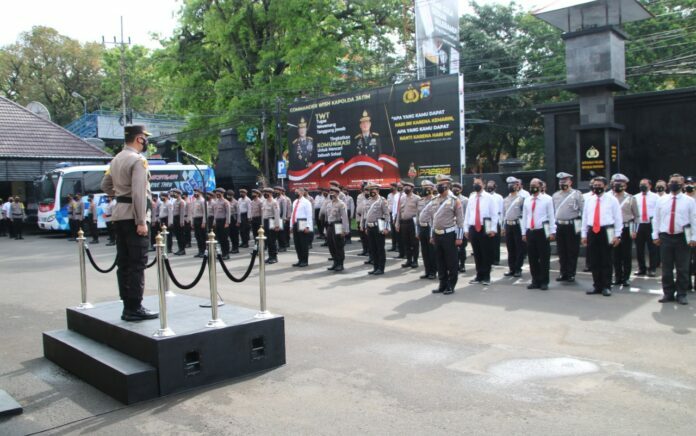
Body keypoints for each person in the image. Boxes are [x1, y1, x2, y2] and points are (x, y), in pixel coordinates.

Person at [100, 124, 158, 321]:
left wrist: (120, 196)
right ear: (139, 138)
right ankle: (135, 307)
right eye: (145, 138)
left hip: (119, 215)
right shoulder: (138, 160)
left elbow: (105, 185)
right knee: (137, 263)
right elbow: (139, 193)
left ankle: (127, 305)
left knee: (124, 262)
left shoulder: (116, 159)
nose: (146, 141)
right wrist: (141, 221)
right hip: (134, 217)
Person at [652, 174, 696, 305]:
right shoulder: (661, 200)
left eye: (676, 182)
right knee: (666, 268)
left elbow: (694, 219)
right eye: (671, 182)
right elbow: (656, 218)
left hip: (682, 237)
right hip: (665, 237)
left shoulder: (689, 201)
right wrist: (655, 235)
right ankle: (668, 293)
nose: (673, 184)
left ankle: (681, 294)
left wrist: (694, 237)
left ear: (682, 185)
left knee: (682, 268)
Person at [581, 177, 622, 297]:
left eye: (599, 185)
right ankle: (597, 285)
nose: (596, 187)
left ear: (605, 186)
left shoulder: (612, 200)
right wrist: (584, 234)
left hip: (606, 230)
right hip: (592, 231)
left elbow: (618, 218)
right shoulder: (589, 200)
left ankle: (606, 286)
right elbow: (585, 217)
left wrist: (617, 235)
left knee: (606, 259)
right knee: (594, 260)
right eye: (595, 185)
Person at [428, 176, 465, 295]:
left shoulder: (455, 200)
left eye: (441, 184)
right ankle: (442, 284)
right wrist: (432, 235)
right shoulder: (435, 200)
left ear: (447, 185)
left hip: (449, 235)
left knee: (451, 262)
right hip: (437, 235)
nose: (438, 186)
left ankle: (451, 285)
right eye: (437, 184)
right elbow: (433, 219)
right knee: (440, 261)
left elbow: (460, 220)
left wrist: (459, 237)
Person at [464, 176, 499, 286]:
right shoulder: (472, 197)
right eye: (474, 183)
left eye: (478, 183)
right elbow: (468, 214)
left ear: (483, 184)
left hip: (486, 227)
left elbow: (494, 214)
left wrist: (493, 229)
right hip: (474, 227)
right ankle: (479, 275)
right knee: (477, 253)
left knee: (486, 252)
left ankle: (486, 276)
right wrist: (466, 229)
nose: (476, 185)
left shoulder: (489, 197)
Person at [522, 179, 556, 290]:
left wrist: (552, 231)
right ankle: (535, 280)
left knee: (544, 257)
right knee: (532, 258)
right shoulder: (527, 200)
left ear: (541, 186)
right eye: (531, 185)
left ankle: (544, 281)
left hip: (542, 231)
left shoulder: (547, 199)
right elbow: (525, 217)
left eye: (535, 185)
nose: (532, 188)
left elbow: (551, 216)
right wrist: (523, 232)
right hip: (530, 231)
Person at [552, 172, 584, 282]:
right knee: (561, 251)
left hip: (572, 225)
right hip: (560, 225)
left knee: (572, 250)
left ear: (570, 182)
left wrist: (581, 229)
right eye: (560, 181)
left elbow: (582, 210)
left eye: (565, 181)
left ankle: (571, 273)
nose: (562, 183)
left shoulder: (576, 194)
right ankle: (563, 273)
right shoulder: (556, 195)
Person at [610, 174, 639, 287]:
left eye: (621, 183)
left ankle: (626, 278)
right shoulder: (609, 197)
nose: (618, 185)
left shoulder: (631, 198)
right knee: (615, 255)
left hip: (626, 228)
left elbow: (636, 216)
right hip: (613, 229)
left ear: (625, 185)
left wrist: (634, 230)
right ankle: (617, 277)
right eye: (616, 183)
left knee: (626, 255)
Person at [362, 183, 390, 275]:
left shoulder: (382, 201)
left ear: (377, 191)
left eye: (373, 190)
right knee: (373, 248)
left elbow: (386, 214)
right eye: (370, 190)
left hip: (379, 227)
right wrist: (366, 226)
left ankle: (381, 268)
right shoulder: (368, 201)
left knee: (380, 249)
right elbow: (367, 215)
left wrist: (386, 227)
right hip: (370, 227)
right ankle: (375, 267)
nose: (371, 192)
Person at [634, 178, 659, 277]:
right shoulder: (635, 197)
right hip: (639, 224)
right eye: (641, 184)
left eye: (645, 184)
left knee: (652, 248)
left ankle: (652, 268)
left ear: (650, 186)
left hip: (651, 224)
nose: (642, 186)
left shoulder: (656, 197)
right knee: (639, 248)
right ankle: (641, 268)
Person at [502, 176, 525, 278]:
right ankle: (511, 268)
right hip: (508, 225)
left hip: (517, 225)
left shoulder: (522, 199)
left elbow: (524, 215)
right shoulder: (505, 199)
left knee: (519, 248)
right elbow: (503, 215)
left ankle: (518, 268)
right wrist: (503, 227)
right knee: (510, 248)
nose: (511, 186)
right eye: (509, 184)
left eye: (513, 184)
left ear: (517, 186)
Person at [395, 181, 420, 268]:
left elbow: (419, 213)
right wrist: (397, 223)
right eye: (405, 186)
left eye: (408, 187)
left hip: (412, 223)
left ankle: (415, 261)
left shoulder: (417, 198)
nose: (406, 188)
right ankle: (409, 260)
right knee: (406, 242)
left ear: (412, 188)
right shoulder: (402, 198)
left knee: (414, 243)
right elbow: (399, 211)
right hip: (403, 223)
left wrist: (418, 226)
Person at [325, 186, 350, 272]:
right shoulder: (329, 204)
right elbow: (327, 217)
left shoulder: (341, 204)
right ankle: (335, 262)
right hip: (330, 225)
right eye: (331, 192)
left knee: (338, 245)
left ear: (338, 193)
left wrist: (345, 230)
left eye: (334, 192)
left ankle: (340, 264)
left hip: (338, 225)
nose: (332, 193)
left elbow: (345, 217)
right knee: (331, 245)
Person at [417, 180, 437, 280]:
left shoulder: (435, 200)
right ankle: (427, 271)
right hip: (422, 228)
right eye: (423, 187)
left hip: (431, 228)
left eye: (427, 187)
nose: (424, 189)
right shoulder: (420, 201)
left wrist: (432, 233)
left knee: (432, 251)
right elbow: (417, 216)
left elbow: (435, 217)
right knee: (424, 252)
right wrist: (417, 230)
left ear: (432, 189)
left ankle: (433, 272)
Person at [290, 187, 313, 267]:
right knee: (297, 243)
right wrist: (291, 225)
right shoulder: (295, 201)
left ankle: (304, 261)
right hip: (296, 223)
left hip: (303, 222)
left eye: (297, 192)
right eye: (295, 192)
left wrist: (308, 227)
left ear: (302, 193)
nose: (295, 193)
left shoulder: (306, 202)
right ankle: (300, 260)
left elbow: (309, 215)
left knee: (303, 243)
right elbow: (293, 214)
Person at [451, 182, 469, 273]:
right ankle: (455, 265)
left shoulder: (465, 200)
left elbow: (466, 214)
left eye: (457, 188)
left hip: (461, 227)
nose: (455, 189)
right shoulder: (449, 199)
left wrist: (465, 229)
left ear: (461, 190)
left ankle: (462, 264)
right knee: (453, 249)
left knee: (462, 248)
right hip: (451, 227)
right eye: (454, 187)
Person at [486, 180, 504, 265]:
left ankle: (496, 259)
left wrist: (500, 222)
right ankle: (489, 258)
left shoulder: (499, 197)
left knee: (496, 242)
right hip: (487, 222)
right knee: (487, 242)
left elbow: (501, 210)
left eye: (491, 185)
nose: (489, 187)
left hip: (496, 221)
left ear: (495, 186)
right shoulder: (485, 196)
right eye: (488, 185)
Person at [261, 187, 281, 264]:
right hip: (266, 221)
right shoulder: (264, 202)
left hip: (272, 221)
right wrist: (262, 224)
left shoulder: (274, 202)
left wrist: (277, 225)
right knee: (268, 241)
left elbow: (276, 214)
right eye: (264, 192)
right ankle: (270, 256)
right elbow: (263, 214)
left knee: (272, 240)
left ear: (271, 193)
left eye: (266, 192)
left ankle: (274, 257)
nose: (264, 194)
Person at [213, 188, 231, 260]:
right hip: (218, 221)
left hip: (223, 221)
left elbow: (228, 213)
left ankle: (226, 254)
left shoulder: (225, 202)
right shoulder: (216, 202)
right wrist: (214, 221)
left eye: (218, 193)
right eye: (216, 192)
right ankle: (223, 253)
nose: (217, 194)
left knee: (224, 238)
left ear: (222, 193)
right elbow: (215, 213)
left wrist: (227, 222)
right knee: (220, 238)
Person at [355, 183, 370, 257]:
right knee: (362, 236)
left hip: (367, 218)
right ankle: (364, 250)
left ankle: (369, 251)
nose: (365, 191)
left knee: (368, 236)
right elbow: (358, 207)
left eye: (367, 189)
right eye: (364, 189)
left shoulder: (370, 196)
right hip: (359, 218)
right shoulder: (359, 196)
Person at [275, 186, 291, 251]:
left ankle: (283, 247)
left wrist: (284, 218)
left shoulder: (283, 199)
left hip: (281, 218)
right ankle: (280, 246)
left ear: (280, 191)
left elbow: (285, 209)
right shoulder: (276, 199)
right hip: (277, 218)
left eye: (277, 190)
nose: (275, 191)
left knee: (282, 233)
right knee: (278, 234)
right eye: (275, 190)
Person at [171, 189, 186, 255]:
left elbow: (182, 213)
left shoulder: (182, 202)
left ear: (179, 194)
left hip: (179, 219)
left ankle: (182, 250)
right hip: (175, 219)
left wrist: (181, 221)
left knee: (181, 235)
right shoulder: (175, 202)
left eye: (175, 193)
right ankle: (179, 248)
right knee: (177, 235)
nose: (174, 194)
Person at [191, 189, 207, 258]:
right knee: (197, 236)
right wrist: (192, 222)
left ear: (200, 193)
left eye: (196, 192)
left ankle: (204, 251)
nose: (195, 193)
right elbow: (192, 213)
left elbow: (205, 212)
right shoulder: (194, 201)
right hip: (195, 219)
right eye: (194, 192)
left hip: (201, 220)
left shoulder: (202, 201)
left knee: (202, 237)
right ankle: (200, 251)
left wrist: (203, 222)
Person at [227, 189, 240, 254]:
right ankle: (233, 247)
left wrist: (238, 221)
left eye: (230, 195)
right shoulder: (226, 201)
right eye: (228, 195)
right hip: (229, 219)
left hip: (234, 219)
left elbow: (238, 213)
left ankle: (236, 248)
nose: (228, 197)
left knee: (235, 234)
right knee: (231, 234)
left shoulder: (236, 202)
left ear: (232, 195)